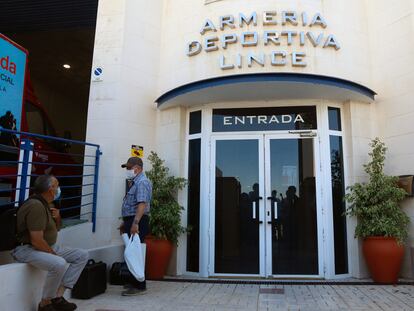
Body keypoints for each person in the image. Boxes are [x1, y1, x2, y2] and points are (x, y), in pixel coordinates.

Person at [11, 175, 89, 311]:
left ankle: (57, 297)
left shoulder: (47, 204)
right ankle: (45, 304)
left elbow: (57, 228)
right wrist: (54, 254)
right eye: (57, 185)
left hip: (47, 246)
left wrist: (58, 217)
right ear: (50, 189)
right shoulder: (35, 206)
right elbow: (36, 240)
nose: (59, 189)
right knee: (59, 263)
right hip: (27, 249)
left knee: (82, 255)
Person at [119, 156, 152, 296]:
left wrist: (135, 223)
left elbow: (142, 204)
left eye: (128, 168)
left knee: (135, 253)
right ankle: (135, 282)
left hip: (137, 220)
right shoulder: (135, 182)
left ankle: (139, 286)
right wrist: (125, 222)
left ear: (136, 168)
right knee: (133, 252)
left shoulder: (142, 182)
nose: (127, 170)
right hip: (132, 220)